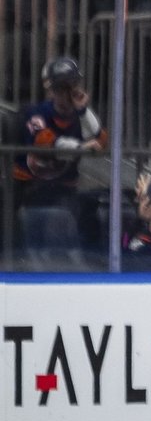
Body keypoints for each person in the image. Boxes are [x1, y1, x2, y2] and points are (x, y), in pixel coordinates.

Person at [13, 56, 108, 266]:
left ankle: (79, 263)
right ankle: (31, 262)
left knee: (88, 213)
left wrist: (83, 110)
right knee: (44, 216)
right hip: (30, 187)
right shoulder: (36, 114)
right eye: (62, 87)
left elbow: (101, 140)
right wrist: (82, 148)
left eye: (72, 85)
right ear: (53, 90)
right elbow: (47, 144)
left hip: (64, 188)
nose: (68, 92)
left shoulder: (80, 116)